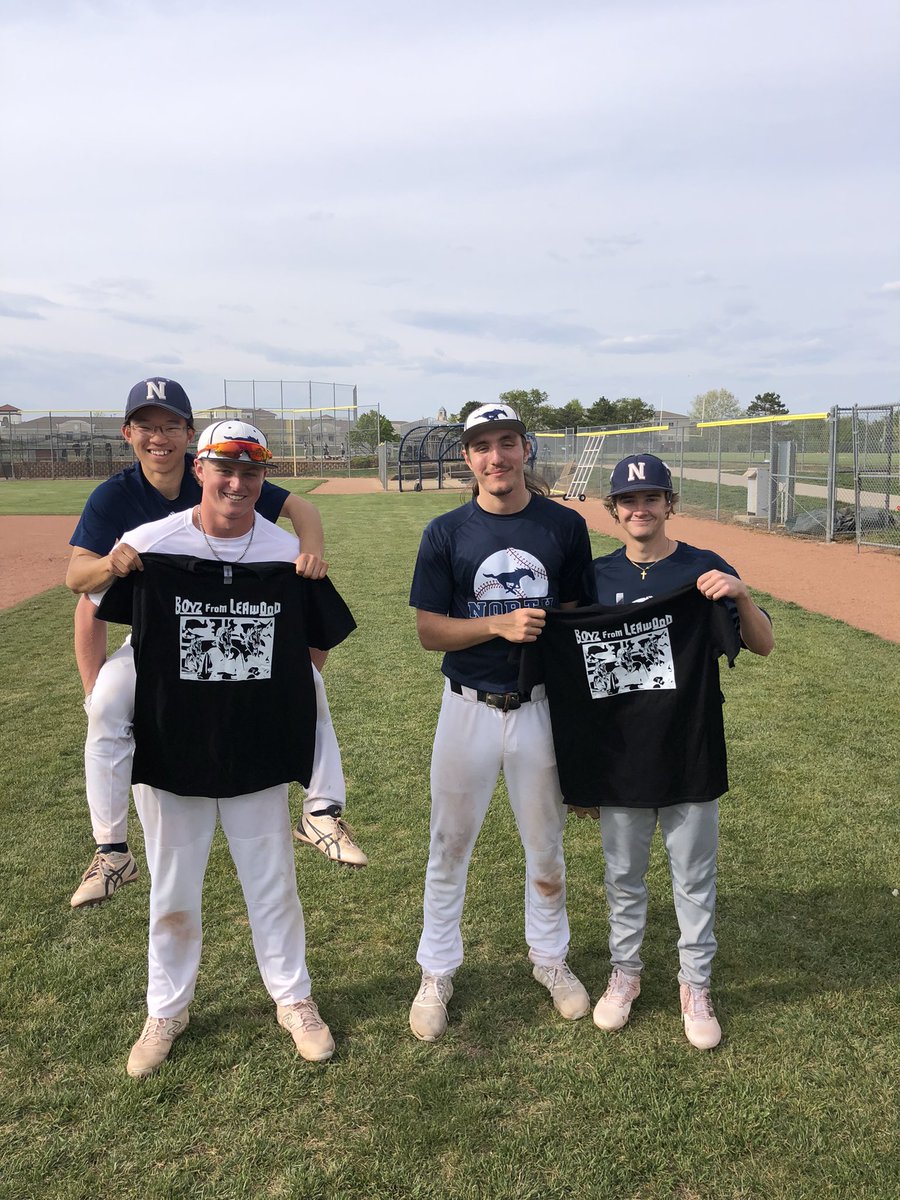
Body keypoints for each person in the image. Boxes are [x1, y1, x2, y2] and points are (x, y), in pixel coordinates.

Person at [91, 422, 355, 1076]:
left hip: (253, 750)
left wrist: (290, 695)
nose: (236, 484)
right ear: (200, 471)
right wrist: (95, 689)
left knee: (273, 889)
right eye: (223, 470)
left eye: (250, 472)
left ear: (263, 479)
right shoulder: (153, 544)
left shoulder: (283, 555)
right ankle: (166, 1010)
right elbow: (95, 604)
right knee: (172, 892)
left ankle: (294, 1000)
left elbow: (315, 644)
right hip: (173, 750)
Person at [66, 378, 366, 909]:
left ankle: (321, 813)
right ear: (129, 432)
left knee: (310, 683)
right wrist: (111, 565)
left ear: (188, 436)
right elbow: (82, 593)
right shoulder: (121, 501)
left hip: (236, 627)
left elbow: (303, 513)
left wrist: (310, 558)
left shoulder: (233, 472)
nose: (160, 438)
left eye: (171, 426)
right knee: (109, 702)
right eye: (148, 427)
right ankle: (111, 849)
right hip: (156, 636)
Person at [406, 402, 593, 1040]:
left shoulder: (563, 527)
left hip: (539, 707)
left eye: (507, 443)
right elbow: (431, 631)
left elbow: (575, 623)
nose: (496, 457)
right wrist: (497, 623)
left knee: (545, 845)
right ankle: (436, 968)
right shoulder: (447, 531)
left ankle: (551, 958)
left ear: (525, 450)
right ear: (468, 458)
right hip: (467, 707)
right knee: (449, 845)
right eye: (482, 446)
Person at [581, 453, 774, 1049]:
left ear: (670, 504)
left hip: (690, 745)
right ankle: (626, 974)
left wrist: (740, 595)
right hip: (620, 754)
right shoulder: (592, 577)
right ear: (615, 510)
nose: (641, 509)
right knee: (623, 875)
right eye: (630, 501)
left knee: (694, 877)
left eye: (652, 498)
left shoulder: (702, 567)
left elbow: (762, 643)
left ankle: (696, 984)